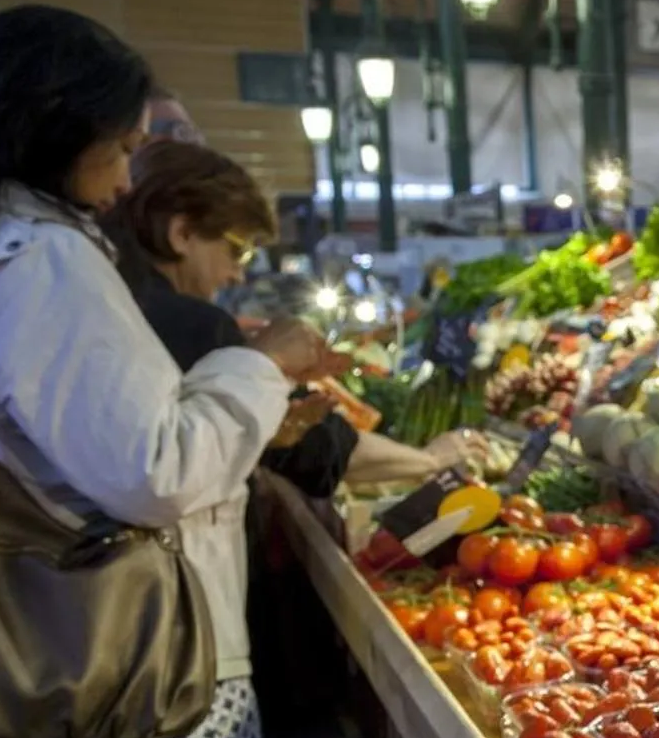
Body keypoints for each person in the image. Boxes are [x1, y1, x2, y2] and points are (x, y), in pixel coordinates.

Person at [0, 5, 334, 738]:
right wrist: (262, 367)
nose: (120, 181)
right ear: (52, 130)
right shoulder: (40, 259)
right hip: (122, 692)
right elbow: (155, 471)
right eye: (120, 147)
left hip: (7, 680)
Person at [101, 140, 484, 497]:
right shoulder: (193, 324)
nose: (237, 274)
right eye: (239, 252)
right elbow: (314, 449)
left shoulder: (105, 297)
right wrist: (431, 460)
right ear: (182, 233)